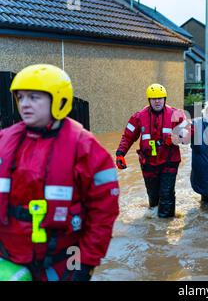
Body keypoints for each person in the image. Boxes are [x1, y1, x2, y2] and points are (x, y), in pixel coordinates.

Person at [0, 64, 120, 281]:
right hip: (9, 261)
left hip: (62, 263)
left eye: (34, 97)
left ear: (59, 100)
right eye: (21, 98)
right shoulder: (4, 140)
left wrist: (86, 263)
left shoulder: (84, 147)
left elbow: (103, 213)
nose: (25, 104)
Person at [116, 84, 188, 218]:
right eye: (154, 99)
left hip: (169, 161)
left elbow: (188, 134)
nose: (157, 101)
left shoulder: (176, 114)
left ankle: (163, 227)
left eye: (160, 98)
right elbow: (128, 136)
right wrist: (120, 153)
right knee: (153, 195)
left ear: (165, 99)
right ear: (149, 100)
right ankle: (154, 225)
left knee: (166, 194)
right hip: (148, 162)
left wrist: (175, 138)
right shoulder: (138, 117)